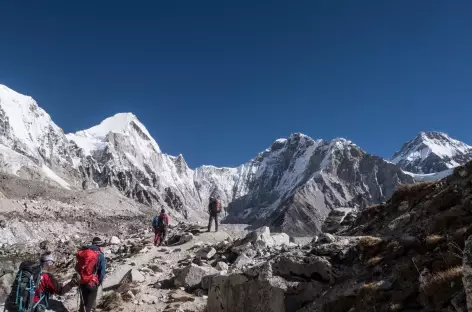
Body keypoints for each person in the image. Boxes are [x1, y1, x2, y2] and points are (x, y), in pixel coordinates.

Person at [4, 252, 77, 312]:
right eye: (52, 263)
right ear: (49, 263)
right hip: (33, 306)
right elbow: (61, 291)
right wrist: (73, 282)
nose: (53, 265)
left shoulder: (30, 271)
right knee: (58, 306)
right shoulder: (47, 277)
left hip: (17, 302)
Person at [75, 237, 107, 312]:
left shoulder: (84, 252)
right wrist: (99, 282)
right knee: (90, 305)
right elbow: (102, 272)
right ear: (99, 245)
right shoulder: (100, 255)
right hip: (92, 282)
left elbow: (77, 267)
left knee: (83, 303)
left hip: (82, 281)